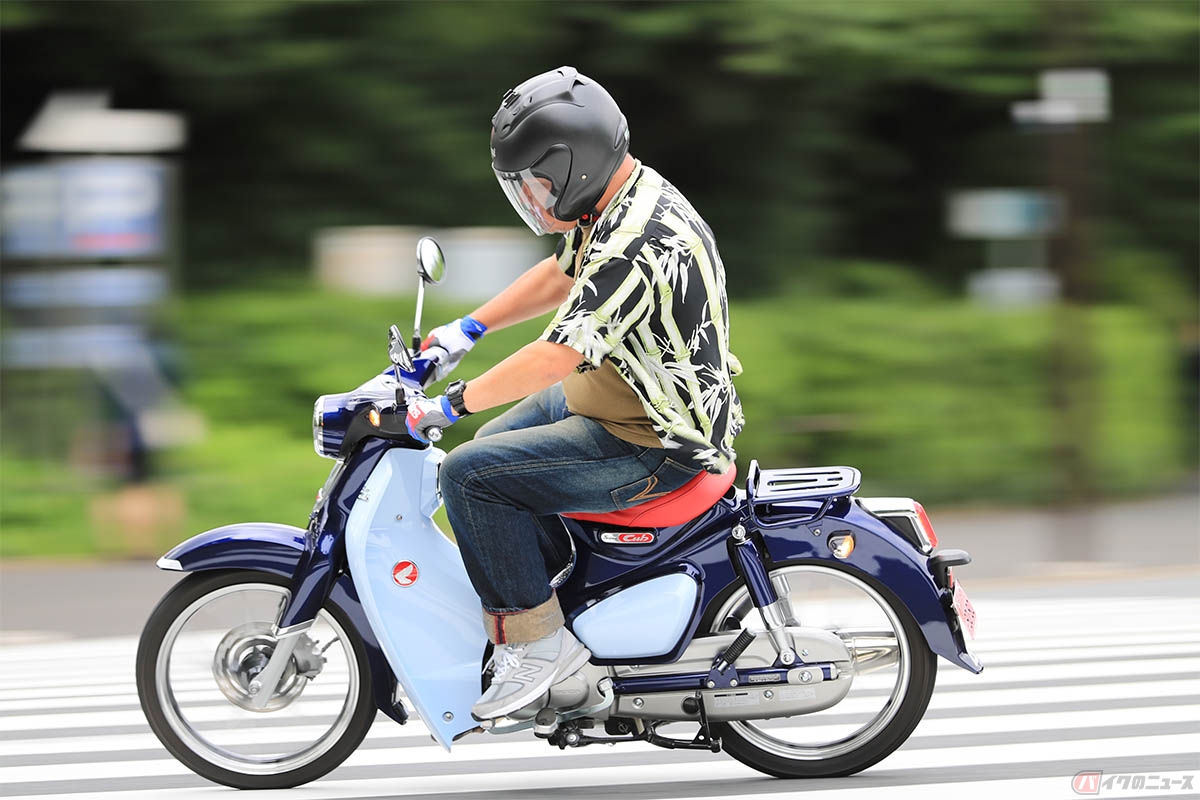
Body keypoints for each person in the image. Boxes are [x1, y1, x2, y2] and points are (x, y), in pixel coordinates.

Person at [406, 66, 743, 721]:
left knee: (472, 476)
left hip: (656, 439)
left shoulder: (639, 242)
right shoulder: (617, 201)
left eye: (534, 181)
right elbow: (560, 276)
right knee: (493, 447)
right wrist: (466, 329)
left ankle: (539, 648)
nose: (531, 197)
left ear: (571, 166)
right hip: (622, 393)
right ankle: (556, 587)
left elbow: (555, 355)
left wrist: (444, 404)